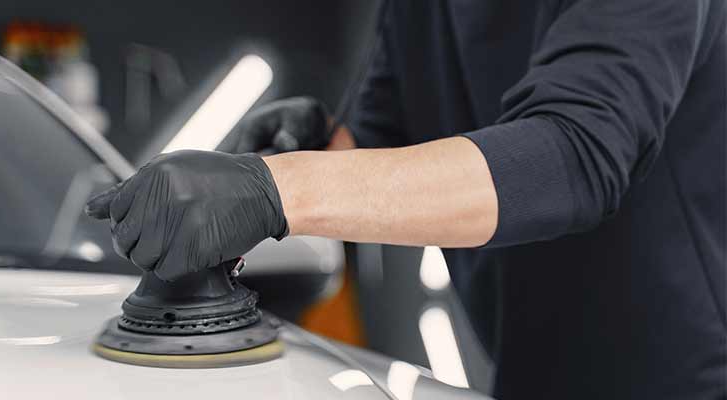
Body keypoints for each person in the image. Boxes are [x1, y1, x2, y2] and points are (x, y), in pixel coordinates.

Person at [86, 0, 726, 398]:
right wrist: (302, 149)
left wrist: (276, 188)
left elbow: (574, 156)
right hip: (528, 365)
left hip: (680, 372)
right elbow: (375, 143)